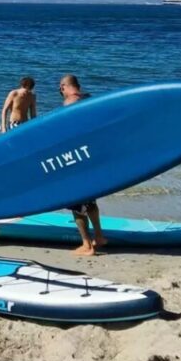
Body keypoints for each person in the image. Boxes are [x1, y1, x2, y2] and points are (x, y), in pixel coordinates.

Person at [60, 74, 106, 256]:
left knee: (76, 203)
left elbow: (67, 133)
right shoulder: (89, 99)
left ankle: (87, 245)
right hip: (90, 155)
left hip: (76, 157)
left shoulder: (69, 102)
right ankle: (100, 236)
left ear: (64, 86)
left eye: (60, 89)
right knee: (91, 200)